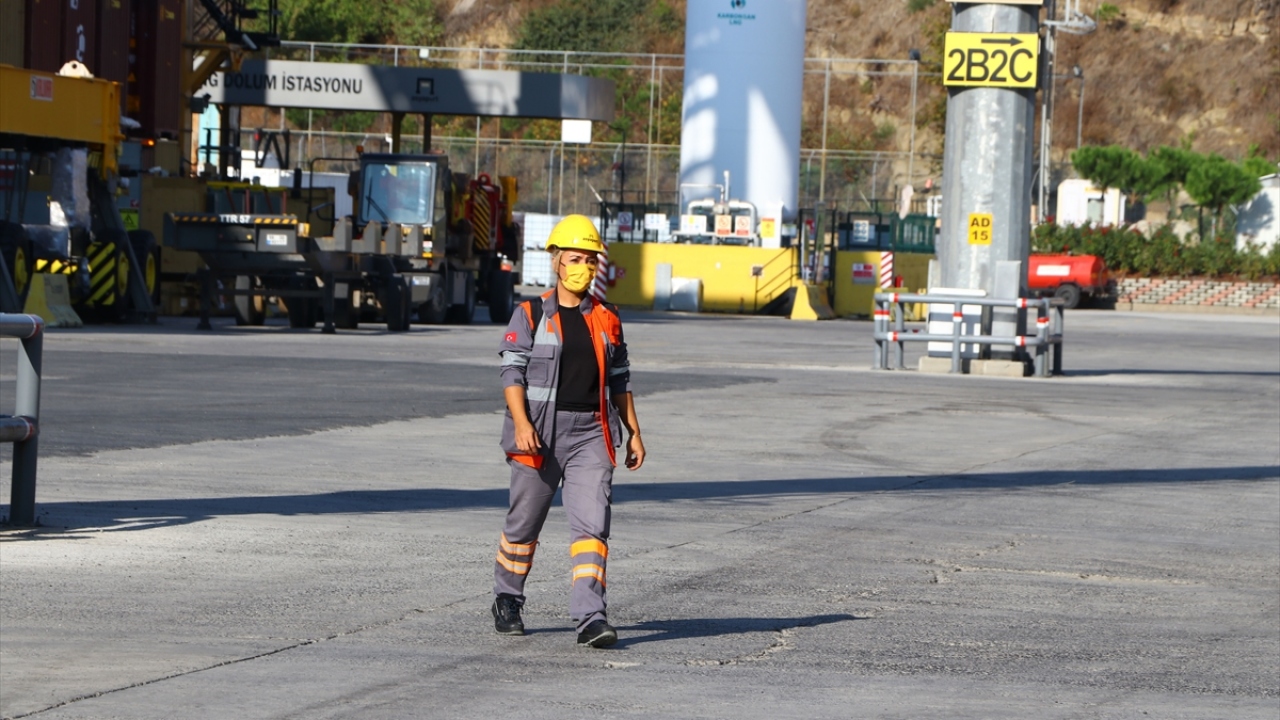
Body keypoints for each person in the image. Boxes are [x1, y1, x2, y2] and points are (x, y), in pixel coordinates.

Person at [491, 214, 645, 648]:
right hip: (539, 434)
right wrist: (521, 425)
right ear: (556, 261)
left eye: (591, 260)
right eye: (576, 258)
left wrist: (633, 432)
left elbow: (620, 379)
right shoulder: (529, 313)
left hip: (592, 433)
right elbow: (512, 373)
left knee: (593, 526)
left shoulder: (608, 318)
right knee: (523, 524)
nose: (584, 267)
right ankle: (507, 597)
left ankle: (590, 617)